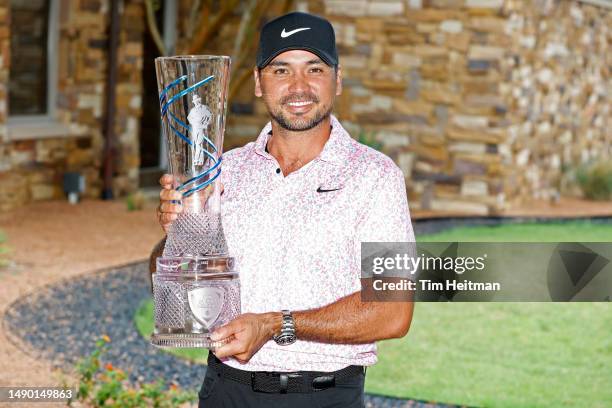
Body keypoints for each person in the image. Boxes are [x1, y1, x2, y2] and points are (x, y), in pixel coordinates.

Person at [155, 11, 416, 408]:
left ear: (337, 80)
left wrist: (276, 324)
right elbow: (179, 301)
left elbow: (392, 312)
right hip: (226, 392)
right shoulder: (221, 171)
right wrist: (177, 234)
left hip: (325, 398)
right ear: (259, 83)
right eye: (281, 70)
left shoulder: (376, 177)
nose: (299, 86)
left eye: (314, 69)